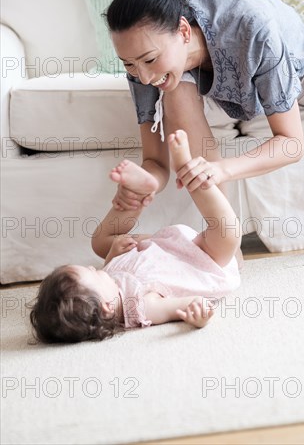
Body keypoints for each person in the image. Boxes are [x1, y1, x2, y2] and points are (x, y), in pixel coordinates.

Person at [101, 0, 304, 259]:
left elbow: (292, 144)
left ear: (184, 32)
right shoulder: (144, 66)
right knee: (174, 91)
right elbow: (156, 163)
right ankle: (225, 241)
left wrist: (221, 169)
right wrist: (145, 184)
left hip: (300, 66)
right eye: (129, 64)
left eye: (149, 60)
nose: (144, 76)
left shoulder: (251, 25)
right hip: (219, 89)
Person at [29, 130, 241, 344]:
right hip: (205, 262)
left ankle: (137, 193)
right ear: (107, 306)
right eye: (93, 273)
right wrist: (198, 315)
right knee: (228, 232)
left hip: (166, 248)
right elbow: (181, 306)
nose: (95, 268)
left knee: (100, 241)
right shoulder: (141, 307)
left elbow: (110, 267)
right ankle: (187, 169)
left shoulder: (108, 288)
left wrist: (114, 253)